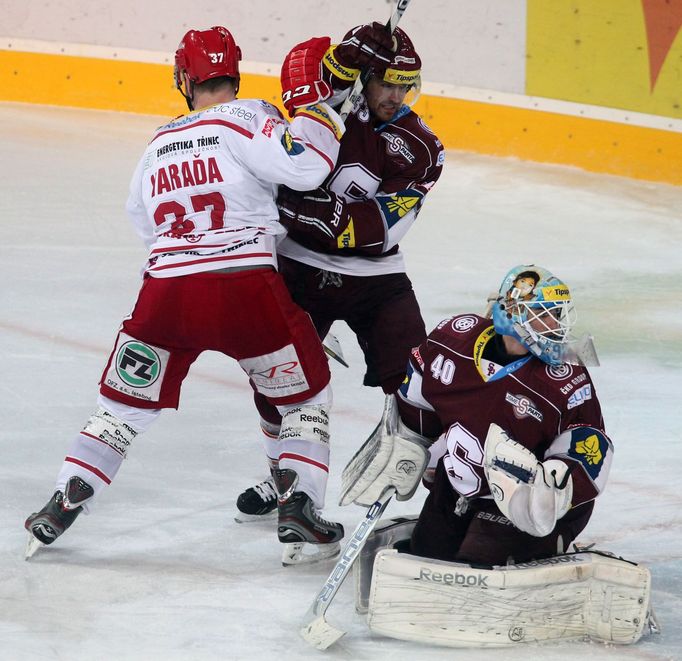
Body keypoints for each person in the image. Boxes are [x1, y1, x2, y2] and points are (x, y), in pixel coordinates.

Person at [24, 26, 348, 558]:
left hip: (167, 292)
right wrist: (323, 111)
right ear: (235, 75)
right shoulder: (250, 116)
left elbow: (141, 220)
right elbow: (306, 169)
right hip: (247, 289)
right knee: (305, 397)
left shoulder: (159, 141)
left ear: (183, 78)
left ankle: (63, 500)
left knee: (121, 407)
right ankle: (300, 503)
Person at [236, 22, 445, 520]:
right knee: (277, 384)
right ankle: (282, 477)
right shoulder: (326, 109)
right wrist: (337, 70)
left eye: (405, 85)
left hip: (378, 280)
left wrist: (298, 210)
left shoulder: (423, 149)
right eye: (387, 82)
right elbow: (297, 117)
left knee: (420, 385)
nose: (397, 95)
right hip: (301, 272)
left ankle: (449, 493)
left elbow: (381, 229)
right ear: (365, 75)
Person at [392, 264, 613, 565]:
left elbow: (589, 443)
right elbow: (418, 405)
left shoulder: (565, 378)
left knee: (480, 565)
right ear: (514, 313)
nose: (554, 326)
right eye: (543, 314)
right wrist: (407, 446)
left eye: (557, 315)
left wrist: (558, 486)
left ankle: (552, 541)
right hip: (458, 490)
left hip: (525, 506)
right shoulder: (452, 342)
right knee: (425, 559)